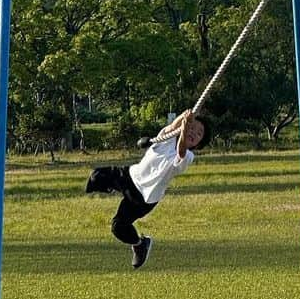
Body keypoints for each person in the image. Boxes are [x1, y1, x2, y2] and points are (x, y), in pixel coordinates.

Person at [84, 108, 210, 269]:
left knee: (118, 227)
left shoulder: (188, 157)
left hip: (144, 197)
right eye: (192, 128)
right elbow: (173, 127)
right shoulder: (166, 138)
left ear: (200, 143)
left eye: (199, 134)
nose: (193, 133)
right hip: (131, 176)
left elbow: (181, 151)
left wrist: (185, 127)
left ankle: (140, 244)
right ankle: (112, 189)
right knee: (96, 176)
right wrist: (184, 117)